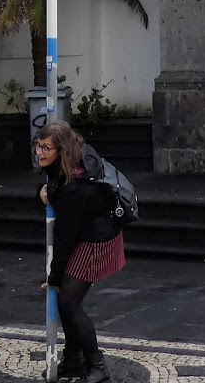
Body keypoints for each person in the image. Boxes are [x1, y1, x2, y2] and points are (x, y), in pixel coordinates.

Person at [35, 121, 124, 382]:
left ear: (61, 150)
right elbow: (52, 185)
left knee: (68, 302)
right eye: (38, 146)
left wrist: (54, 278)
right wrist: (45, 192)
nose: (39, 152)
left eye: (46, 148)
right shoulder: (76, 156)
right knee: (67, 302)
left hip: (96, 241)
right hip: (90, 232)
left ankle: (97, 366)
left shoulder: (75, 187)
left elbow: (65, 237)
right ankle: (74, 360)